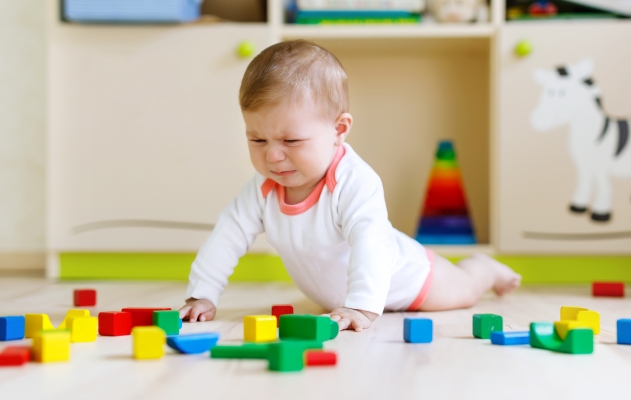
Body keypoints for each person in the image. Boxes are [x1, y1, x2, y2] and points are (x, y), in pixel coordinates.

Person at [179, 40, 521, 331]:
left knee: (463, 290)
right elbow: (228, 234)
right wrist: (203, 293)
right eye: (257, 139)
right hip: (338, 297)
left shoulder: (354, 182)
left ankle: (483, 268)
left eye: (292, 140)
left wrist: (361, 306)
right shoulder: (262, 189)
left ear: (339, 130)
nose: (273, 156)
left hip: (410, 281)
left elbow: (370, 243)